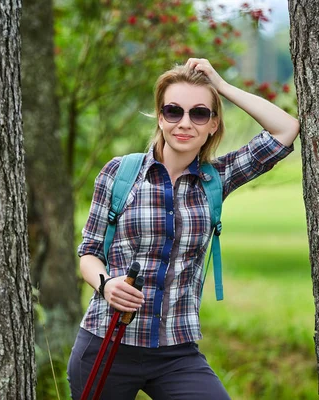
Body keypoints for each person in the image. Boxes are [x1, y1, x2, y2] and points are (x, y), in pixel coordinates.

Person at [67, 58, 300, 400]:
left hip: (176, 351)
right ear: (160, 117)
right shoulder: (120, 173)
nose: (185, 123)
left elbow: (285, 129)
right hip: (106, 343)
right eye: (174, 111)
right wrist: (107, 286)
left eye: (199, 113)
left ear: (212, 123)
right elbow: (88, 252)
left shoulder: (216, 178)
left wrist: (221, 86)